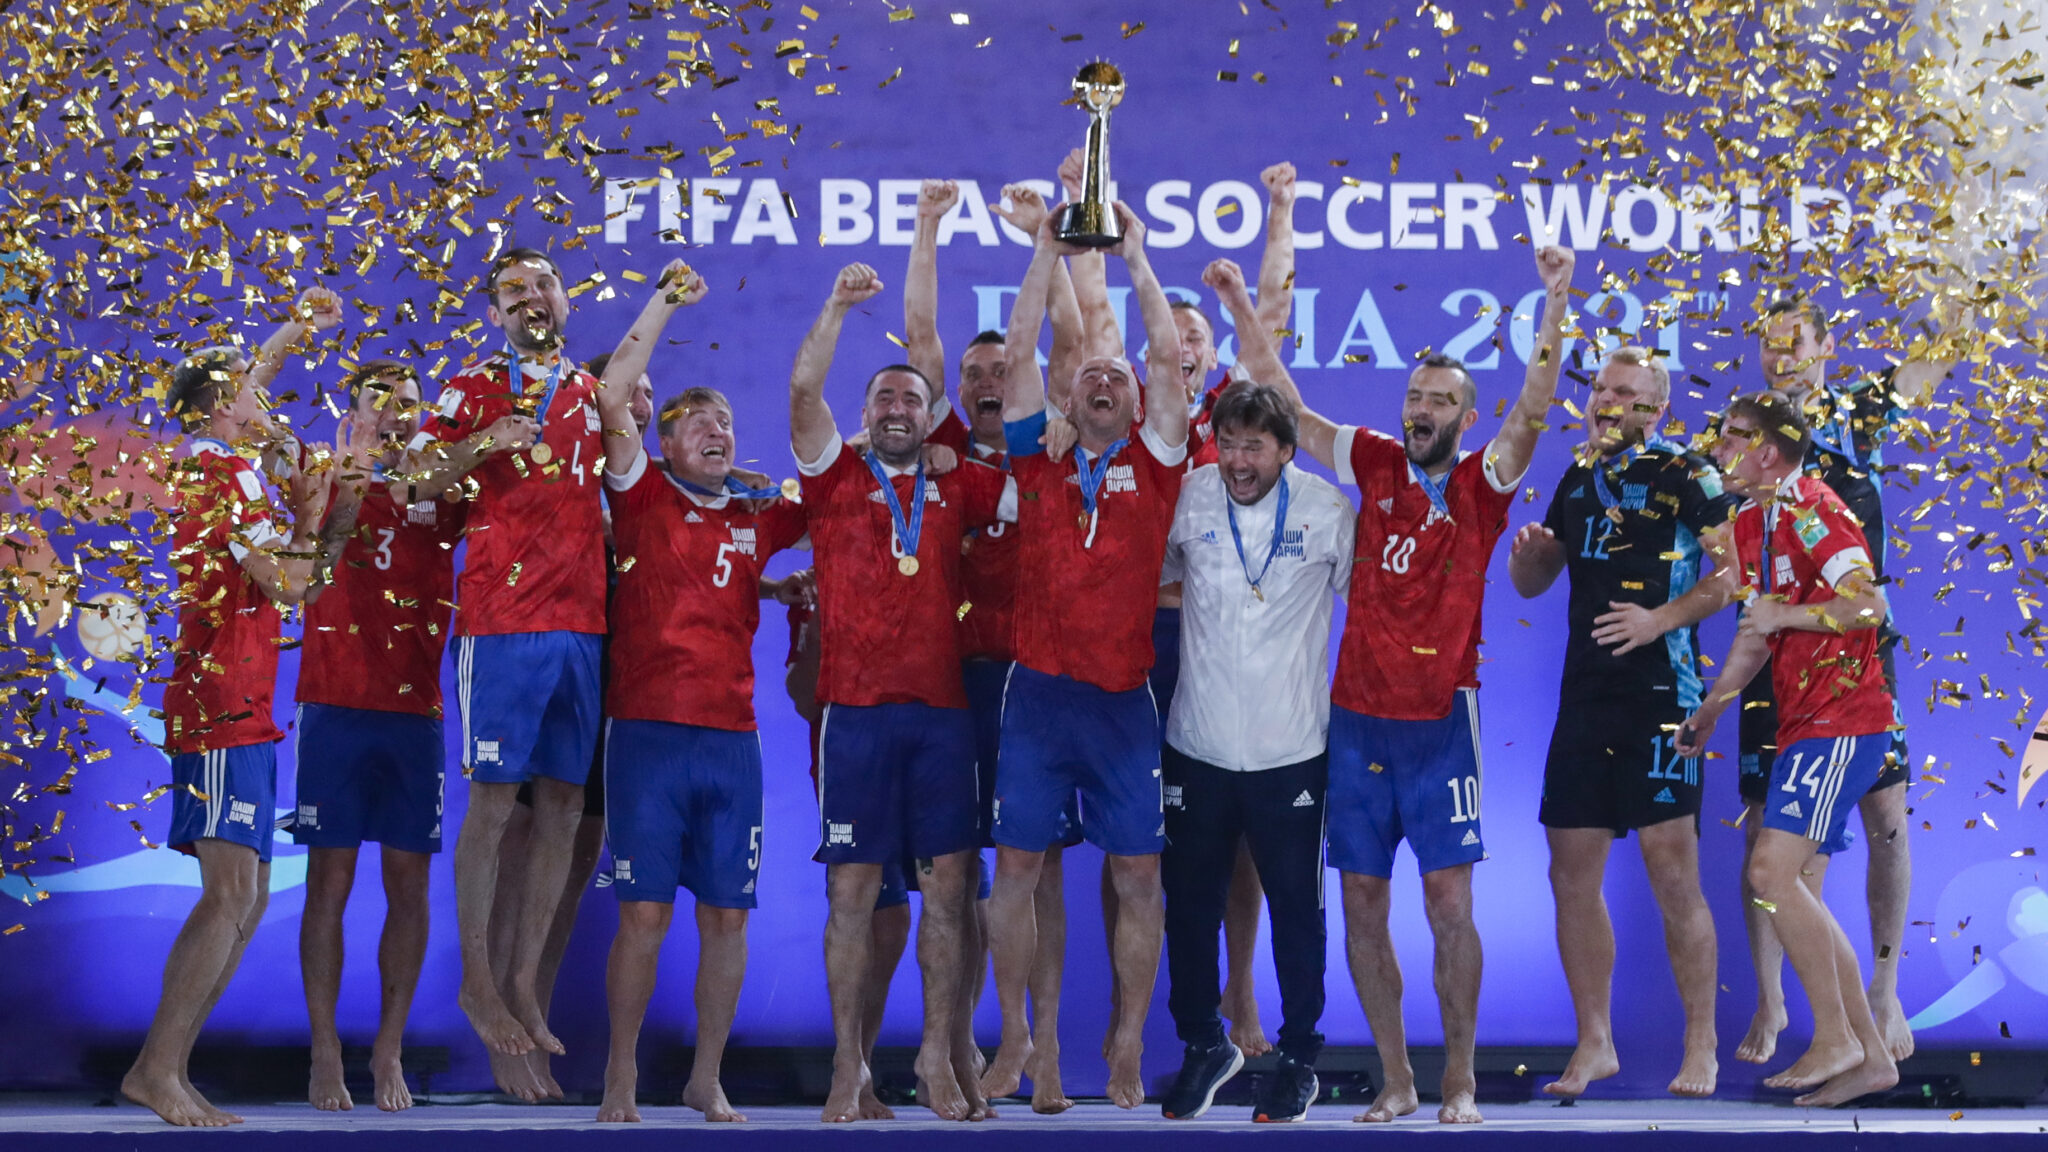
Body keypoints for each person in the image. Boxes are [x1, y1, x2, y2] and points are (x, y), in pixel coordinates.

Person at [1260, 242, 1575, 1124]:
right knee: (1360, 900)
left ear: (1465, 418)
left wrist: (1554, 305)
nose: (1422, 409)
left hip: (1443, 724)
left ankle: (1461, 1080)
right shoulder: (1370, 460)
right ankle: (1396, 1078)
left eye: (1439, 400)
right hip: (1356, 723)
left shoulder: (1481, 485)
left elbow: (1537, 409)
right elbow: (1286, 405)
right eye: (1414, 397)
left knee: (1448, 902)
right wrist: (1244, 314)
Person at [123, 288, 358, 1126]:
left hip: (250, 698)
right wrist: (311, 516)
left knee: (249, 898)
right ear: (221, 407)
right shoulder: (216, 469)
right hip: (219, 698)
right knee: (229, 895)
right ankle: (155, 1068)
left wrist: (294, 329)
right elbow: (289, 586)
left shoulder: (233, 465)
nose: (268, 402)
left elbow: (251, 373)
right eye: (253, 396)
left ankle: (171, 1068)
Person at [584, 260, 812, 1123]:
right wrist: (664, 300)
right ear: (665, 444)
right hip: (647, 736)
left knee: (728, 920)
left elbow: (831, 487)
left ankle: (705, 1076)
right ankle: (618, 1078)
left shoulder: (755, 517)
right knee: (642, 918)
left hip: (732, 742)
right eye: (696, 422)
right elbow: (612, 399)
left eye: (725, 420)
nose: (718, 430)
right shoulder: (639, 496)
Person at [789, 262, 1016, 1123]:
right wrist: (839, 304)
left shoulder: (961, 481)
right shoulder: (832, 475)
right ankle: (850, 1068)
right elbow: (803, 386)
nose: (894, 409)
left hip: (942, 719)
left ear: (930, 417)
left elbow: (1047, 497)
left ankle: (934, 1056)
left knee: (952, 892)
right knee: (851, 896)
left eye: (910, 400)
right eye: (883, 397)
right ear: (866, 414)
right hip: (853, 719)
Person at [985, 192, 1188, 1111]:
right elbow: (1024, 348)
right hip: (1037, 697)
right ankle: (1024, 1036)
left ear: (1140, 402)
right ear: (1067, 396)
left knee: (1139, 875)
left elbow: (1169, 355)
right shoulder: (1036, 457)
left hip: (1120, 702)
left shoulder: (1159, 461)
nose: (1104, 382)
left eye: (1119, 377)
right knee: (1017, 870)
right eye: (1090, 377)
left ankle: (1129, 1042)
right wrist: (1041, 248)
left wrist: (1137, 257)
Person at [1505, 346, 1741, 1099]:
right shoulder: (1578, 478)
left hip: (1661, 697)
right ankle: (1595, 1040)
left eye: (1628, 395)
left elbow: (1735, 574)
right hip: (1585, 701)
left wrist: (1659, 619)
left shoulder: (1691, 474)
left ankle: (1700, 1042)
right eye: (1601, 390)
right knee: (1569, 875)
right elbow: (1534, 584)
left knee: (1673, 872)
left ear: (1658, 409)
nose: (1609, 403)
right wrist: (1531, 558)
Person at [1156, 256, 1357, 1123]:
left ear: (1283, 448)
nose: (1238, 461)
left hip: (1291, 749)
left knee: (1296, 913)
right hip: (1195, 741)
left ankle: (1300, 1054)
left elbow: (1369, 599)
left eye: (1255, 448)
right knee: (1190, 906)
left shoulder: (1325, 508)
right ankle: (1205, 1043)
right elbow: (1158, 580)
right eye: (1229, 445)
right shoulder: (1189, 495)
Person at [403, 248, 617, 1063]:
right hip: (501, 623)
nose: (532, 297)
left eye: (544, 284)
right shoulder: (471, 388)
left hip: (583, 625)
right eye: (513, 291)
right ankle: (477, 981)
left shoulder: (593, 394)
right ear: (496, 312)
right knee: (495, 807)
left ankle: (524, 979)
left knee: (563, 804)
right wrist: (484, 441)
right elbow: (414, 481)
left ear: (566, 300)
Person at [1732, 298, 1951, 1065]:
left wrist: (1968, 274)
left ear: (1828, 346)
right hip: (1775, 661)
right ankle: (1776, 999)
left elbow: (1944, 350)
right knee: (1768, 829)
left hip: (1858, 656)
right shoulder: (1748, 435)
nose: (1781, 354)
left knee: (1886, 815)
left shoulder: (1860, 418)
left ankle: (1882, 994)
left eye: (1796, 341)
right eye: (1769, 342)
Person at [909, 176, 1086, 1114]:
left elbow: (1068, 348)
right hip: (945, 688)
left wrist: (1046, 246)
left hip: (1033, 687)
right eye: (974, 375)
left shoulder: (1048, 444)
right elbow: (923, 337)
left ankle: (1041, 1046)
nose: (985, 381)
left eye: (998, 371)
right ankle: (951, 1049)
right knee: (953, 874)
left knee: (1038, 871)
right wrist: (929, 227)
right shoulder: (937, 442)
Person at [1678, 390, 1900, 1108]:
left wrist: (1789, 613)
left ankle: (1836, 1037)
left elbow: (1870, 605)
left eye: (1731, 438)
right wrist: (1711, 710)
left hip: (1846, 720)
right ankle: (1868, 1056)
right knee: (1790, 882)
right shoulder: (1749, 522)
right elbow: (1753, 634)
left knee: (1771, 871)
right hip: (1804, 725)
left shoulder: (1815, 508)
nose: (1717, 449)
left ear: (1767, 451)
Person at [293, 360, 464, 1113]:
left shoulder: (443, 491)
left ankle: (386, 1049)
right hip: (334, 705)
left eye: (408, 404)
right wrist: (352, 468)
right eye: (378, 402)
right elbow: (306, 559)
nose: (395, 414)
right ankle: (324, 1048)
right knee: (329, 882)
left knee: (410, 884)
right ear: (353, 412)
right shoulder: (324, 477)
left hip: (416, 713)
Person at [485, 356, 652, 1102]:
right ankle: (503, 1039)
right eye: (628, 389)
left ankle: (533, 1013)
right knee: (518, 853)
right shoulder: (570, 475)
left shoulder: (662, 487)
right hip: (553, 662)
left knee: (577, 862)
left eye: (650, 392)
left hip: (619, 691)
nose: (640, 401)